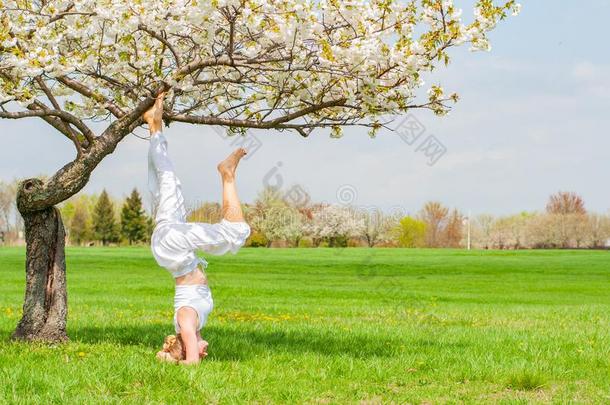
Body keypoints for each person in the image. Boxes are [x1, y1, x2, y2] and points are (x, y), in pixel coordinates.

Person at [144, 93, 251, 365]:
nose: (204, 351)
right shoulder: (190, 326)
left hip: (173, 248)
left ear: (183, 345)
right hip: (170, 243)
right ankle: (154, 128)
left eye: (197, 350)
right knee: (170, 182)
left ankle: (227, 174)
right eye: (201, 352)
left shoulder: (186, 324)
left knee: (235, 234)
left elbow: (192, 363)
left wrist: (173, 358)